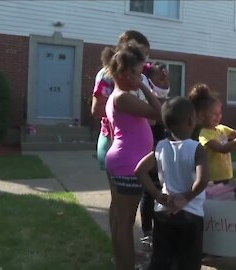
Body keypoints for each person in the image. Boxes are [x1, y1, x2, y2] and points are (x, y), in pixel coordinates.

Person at [91, 30, 152, 239]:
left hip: (130, 144)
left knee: (122, 207)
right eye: (136, 50)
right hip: (114, 141)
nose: (142, 57)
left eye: (145, 53)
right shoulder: (108, 75)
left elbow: (152, 114)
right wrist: (128, 112)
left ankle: (122, 249)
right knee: (120, 207)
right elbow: (97, 109)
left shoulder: (139, 77)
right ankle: (121, 249)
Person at [135, 96, 209, 270]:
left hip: (164, 213)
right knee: (188, 262)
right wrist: (186, 197)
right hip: (191, 215)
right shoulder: (197, 148)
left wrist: (157, 195)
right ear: (191, 120)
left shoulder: (160, 146)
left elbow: (140, 170)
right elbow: (203, 180)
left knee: (161, 259)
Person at [104, 44, 161, 270]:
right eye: (138, 73)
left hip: (120, 160)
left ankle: (122, 264)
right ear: (126, 74)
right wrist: (146, 89)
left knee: (120, 221)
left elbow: (148, 122)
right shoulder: (124, 98)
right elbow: (159, 113)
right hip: (129, 164)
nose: (141, 77)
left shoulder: (116, 97)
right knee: (126, 223)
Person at [188, 83, 236, 184]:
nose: (218, 117)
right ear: (201, 115)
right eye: (214, 114)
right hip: (213, 180)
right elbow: (223, 149)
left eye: (219, 113)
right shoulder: (204, 135)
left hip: (227, 176)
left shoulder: (222, 128)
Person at [139, 61, 171, 248]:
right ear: (148, 80)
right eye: (161, 77)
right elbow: (151, 122)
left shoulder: (165, 101)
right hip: (149, 150)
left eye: (167, 77)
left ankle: (160, 229)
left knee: (163, 188)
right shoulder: (145, 100)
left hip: (163, 151)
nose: (166, 81)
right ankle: (147, 232)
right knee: (150, 192)